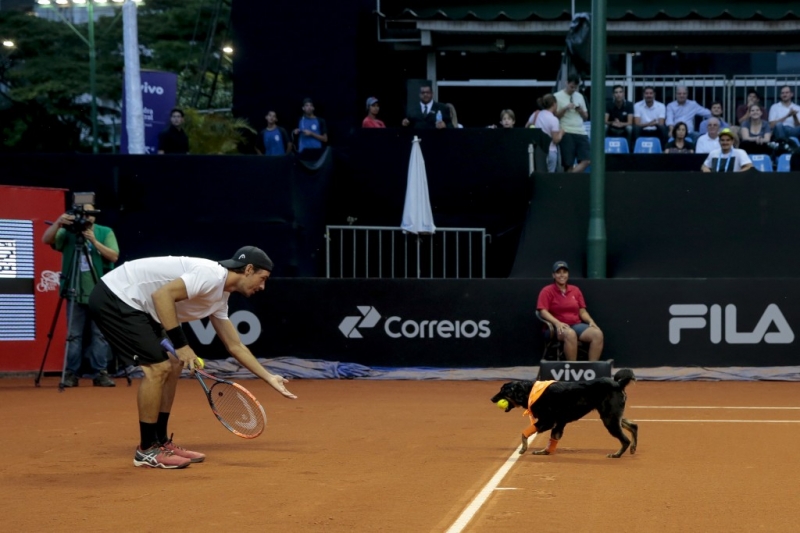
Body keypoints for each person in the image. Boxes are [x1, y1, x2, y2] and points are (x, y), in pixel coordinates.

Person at [87, 246, 297, 469]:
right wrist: (182, 345)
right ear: (248, 269)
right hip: (117, 296)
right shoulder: (211, 275)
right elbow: (162, 295)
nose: (262, 286)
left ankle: (161, 441)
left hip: (142, 307)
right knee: (158, 368)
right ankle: (147, 450)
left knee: (174, 363)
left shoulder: (220, 298)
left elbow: (235, 345)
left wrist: (268, 377)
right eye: (262, 278)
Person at [42, 202, 119, 387]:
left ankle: (101, 372)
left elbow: (113, 256)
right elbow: (46, 239)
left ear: (94, 215)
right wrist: (59, 223)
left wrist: (94, 241)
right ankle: (71, 373)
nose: (86, 216)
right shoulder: (68, 231)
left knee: (100, 335)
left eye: (90, 213)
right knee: (73, 335)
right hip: (74, 290)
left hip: (99, 292)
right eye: (83, 213)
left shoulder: (104, 231)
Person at [536, 261, 603, 362]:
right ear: (553, 275)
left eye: (564, 272)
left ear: (568, 274)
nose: (562, 275)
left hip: (575, 325)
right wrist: (557, 323)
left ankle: (592, 370)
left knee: (597, 334)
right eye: (558, 272)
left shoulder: (575, 290)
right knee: (570, 334)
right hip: (555, 327)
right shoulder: (547, 291)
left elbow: (582, 311)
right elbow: (542, 311)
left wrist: (590, 321)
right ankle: (572, 369)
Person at [555, 74, 590, 173]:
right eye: (571, 87)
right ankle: (569, 181)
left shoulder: (580, 96)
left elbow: (586, 117)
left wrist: (580, 111)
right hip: (566, 131)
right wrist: (565, 108)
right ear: (566, 83)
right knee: (568, 164)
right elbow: (556, 116)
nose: (573, 89)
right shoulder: (557, 96)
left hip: (581, 131)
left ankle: (569, 177)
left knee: (587, 160)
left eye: (575, 87)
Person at [526, 94, 562, 173]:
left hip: (538, 152)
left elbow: (527, 127)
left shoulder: (536, 114)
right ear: (554, 104)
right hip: (551, 151)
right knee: (549, 177)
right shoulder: (553, 119)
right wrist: (562, 132)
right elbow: (556, 139)